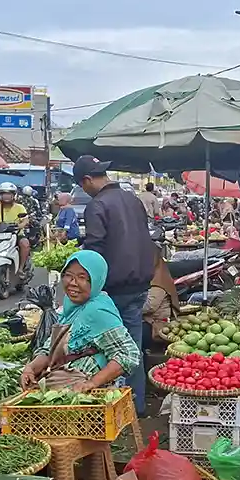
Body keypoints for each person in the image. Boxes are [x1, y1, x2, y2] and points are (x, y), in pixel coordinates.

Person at [75, 155, 155, 414]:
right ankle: (136, 405)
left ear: (87, 180)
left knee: (104, 349)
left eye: (82, 185)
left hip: (114, 288)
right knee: (132, 346)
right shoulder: (133, 200)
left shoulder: (97, 206)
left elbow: (95, 251)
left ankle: (108, 409)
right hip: (140, 284)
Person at [19, 251, 141, 393]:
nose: (72, 283)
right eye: (68, 276)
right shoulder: (71, 308)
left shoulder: (97, 311)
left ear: (96, 280)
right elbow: (50, 350)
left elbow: (128, 355)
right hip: (58, 385)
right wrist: (31, 369)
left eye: (82, 277)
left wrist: (92, 383)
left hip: (81, 394)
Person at [0, 182, 32, 269]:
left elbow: (25, 220)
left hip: (16, 234)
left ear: (13, 195)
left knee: (25, 244)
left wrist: (20, 226)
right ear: (0, 195)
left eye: (9, 194)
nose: (6, 197)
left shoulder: (20, 207)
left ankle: (21, 268)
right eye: (4, 194)